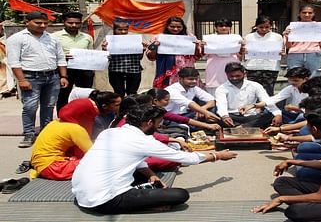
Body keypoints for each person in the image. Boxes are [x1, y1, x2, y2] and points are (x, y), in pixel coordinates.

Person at [72, 105, 237, 214]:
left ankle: (144, 192)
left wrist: (151, 174)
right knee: (180, 195)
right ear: (148, 122)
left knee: (149, 177)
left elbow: (134, 157)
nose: (160, 126)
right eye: (159, 123)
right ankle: (145, 206)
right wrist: (217, 156)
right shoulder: (144, 141)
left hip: (82, 193)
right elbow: (185, 158)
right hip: (104, 201)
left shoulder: (110, 132)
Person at [7, 11, 69, 147]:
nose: (42, 25)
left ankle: (45, 133)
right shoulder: (17, 39)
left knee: (49, 106)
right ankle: (28, 134)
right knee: (30, 107)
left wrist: (63, 76)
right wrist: (22, 80)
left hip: (52, 77)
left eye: (45, 23)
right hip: (30, 78)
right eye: (38, 23)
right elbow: (14, 62)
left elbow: (60, 58)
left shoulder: (52, 38)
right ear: (27, 22)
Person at [30, 98, 99, 180]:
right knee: (96, 164)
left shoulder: (55, 123)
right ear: (84, 115)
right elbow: (93, 153)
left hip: (41, 165)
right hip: (53, 168)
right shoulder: (76, 129)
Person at [52, 11, 94, 113]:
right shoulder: (54, 37)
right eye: (70, 23)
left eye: (77, 23)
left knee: (84, 95)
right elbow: (50, 55)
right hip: (64, 71)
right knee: (63, 95)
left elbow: (91, 53)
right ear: (64, 22)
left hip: (84, 70)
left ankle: (82, 116)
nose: (74, 25)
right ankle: (62, 118)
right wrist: (63, 57)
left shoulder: (87, 37)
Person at [146, 17, 203, 89]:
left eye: (179, 27)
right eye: (172, 26)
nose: (175, 29)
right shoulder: (158, 38)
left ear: (183, 27)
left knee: (188, 89)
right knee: (166, 91)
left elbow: (196, 55)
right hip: (166, 69)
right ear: (167, 26)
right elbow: (151, 57)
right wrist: (154, 46)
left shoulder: (190, 37)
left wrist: (197, 46)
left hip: (186, 69)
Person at [242, 67, 310, 127]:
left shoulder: (313, 90)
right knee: (269, 111)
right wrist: (253, 106)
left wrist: (297, 109)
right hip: (293, 115)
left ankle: (291, 127)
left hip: (306, 117)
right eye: (290, 80)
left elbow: (315, 111)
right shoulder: (291, 88)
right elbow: (274, 99)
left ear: (306, 79)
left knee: (303, 117)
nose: (292, 82)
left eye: (296, 80)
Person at [215, 62, 274, 128]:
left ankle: (242, 127)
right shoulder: (221, 88)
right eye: (231, 76)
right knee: (216, 115)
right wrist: (225, 116)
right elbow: (221, 105)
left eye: (238, 76)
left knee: (270, 114)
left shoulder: (255, 85)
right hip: (231, 116)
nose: (234, 78)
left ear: (244, 74)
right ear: (226, 75)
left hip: (251, 116)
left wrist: (253, 106)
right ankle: (247, 126)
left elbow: (266, 100)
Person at [283, 4, 321, 77]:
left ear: (313, 14)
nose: (307, 15)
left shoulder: (319, 27)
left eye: (310, 13)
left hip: (314, 54)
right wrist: (287, 37)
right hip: (295, 54)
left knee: (314, 78)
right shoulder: (291, 27)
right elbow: (288, 46)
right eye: (304, 12)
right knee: (294, 77)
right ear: (299, 14)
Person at [102, 20, 144, 97]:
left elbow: (140, 57)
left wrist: (142, 49)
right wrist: (105, 51)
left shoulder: (134, 41)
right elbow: (106, 59)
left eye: (125, 29)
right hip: (116, 70)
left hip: (133, 69)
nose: (123, 32)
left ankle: (131, 108)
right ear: (114, 30)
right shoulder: (109, 41)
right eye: (120, 29)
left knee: (132, 93)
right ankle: (119, 107)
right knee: (118, 93)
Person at [147, 88, 221, 131]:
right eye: (166, 100)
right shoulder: (154, 110)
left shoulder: (157, 109)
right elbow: (182, 119)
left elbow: (182, 119)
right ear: (156, 101)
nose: (168, 102)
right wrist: (207, 125)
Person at [244, 15, 283, 96]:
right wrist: (244, 51)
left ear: (271, 26)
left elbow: (282, 51)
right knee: (253, 91)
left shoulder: (277, 37)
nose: (264, 29)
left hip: (271, 68)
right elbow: (243, 53)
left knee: (268, 91)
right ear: (256, 26)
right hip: (253, 67)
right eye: (261, 27)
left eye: (267, 27)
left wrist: (281, 53)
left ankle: (267, 107)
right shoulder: (249, 37)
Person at [203, 18, 243, 95]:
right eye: (221, 26)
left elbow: (240, 54)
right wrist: (202, 46)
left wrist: (242, 46)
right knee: (214, 87)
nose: (224, 28)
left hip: (231, 62)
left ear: (230, 27)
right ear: (216, 27)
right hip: (214, 64)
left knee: (234, 85)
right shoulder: (209, 38)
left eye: (226, 26)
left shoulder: (236, 37)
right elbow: (204, 54)